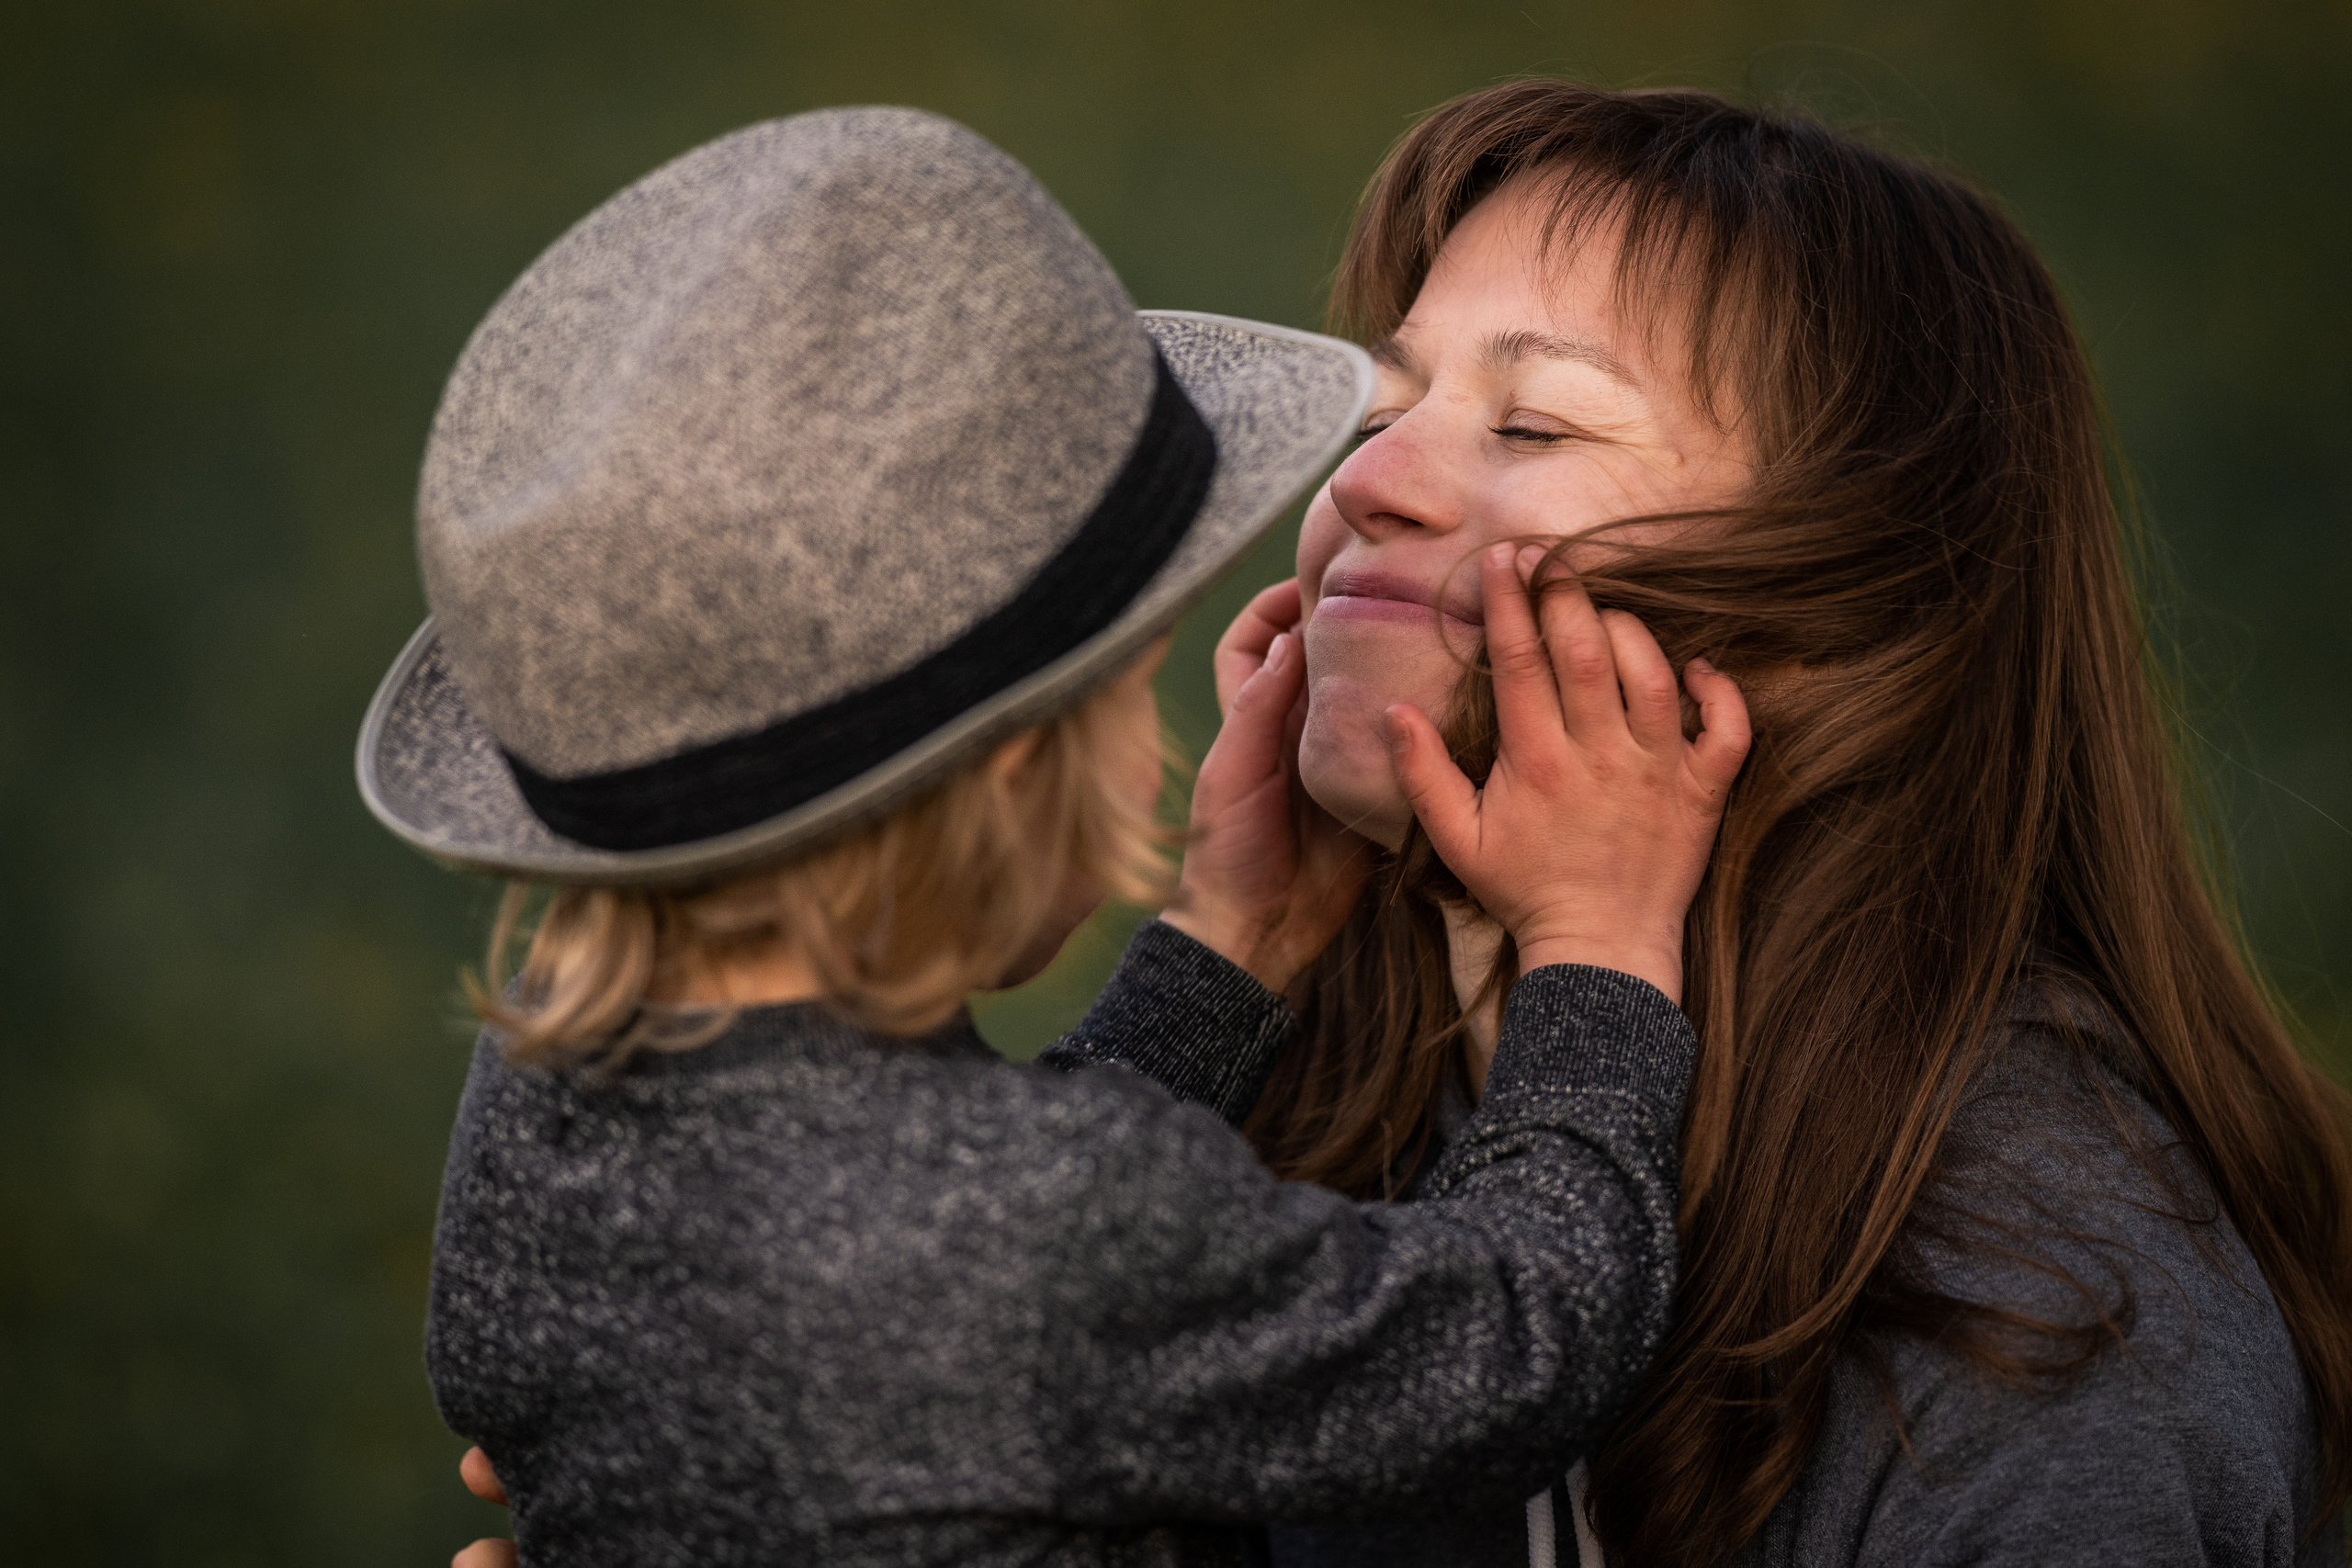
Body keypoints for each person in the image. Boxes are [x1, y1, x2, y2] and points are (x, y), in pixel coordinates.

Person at [365, 107, 1750, 1567]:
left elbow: (968, 1249)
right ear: (1021, 767)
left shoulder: (543, 1102)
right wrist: (1595, 948)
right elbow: (1509, 1350)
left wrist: (1230, 945)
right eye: (1120, 676)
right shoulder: (1047, 1227)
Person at [1224, 81, 2351, 1567]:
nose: (1364, 478)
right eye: (1384, 405)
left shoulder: (2051, 1299)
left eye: (1537, 423)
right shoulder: (1311, 1091)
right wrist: (1219, 978)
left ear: (1847, 616)